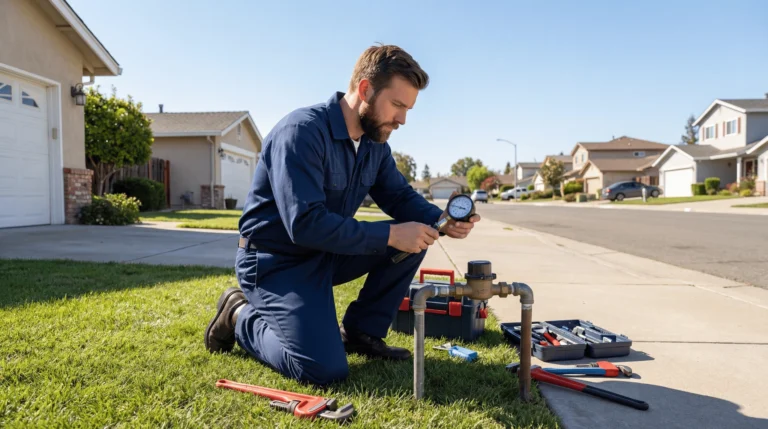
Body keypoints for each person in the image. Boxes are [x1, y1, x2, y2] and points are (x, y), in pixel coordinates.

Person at [204, 44, 481, 386]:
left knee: (417, 235)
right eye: (397, 105)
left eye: (407, 109)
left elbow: (398, 195)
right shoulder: (301, 133)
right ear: (365, 89)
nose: (402, 119)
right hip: (274, 262)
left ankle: (362, 332)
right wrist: (392, 235)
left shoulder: (374, 145)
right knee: (322, 370)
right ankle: (238, 313)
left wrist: (443, 221)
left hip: (325, 254)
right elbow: (304, 224)